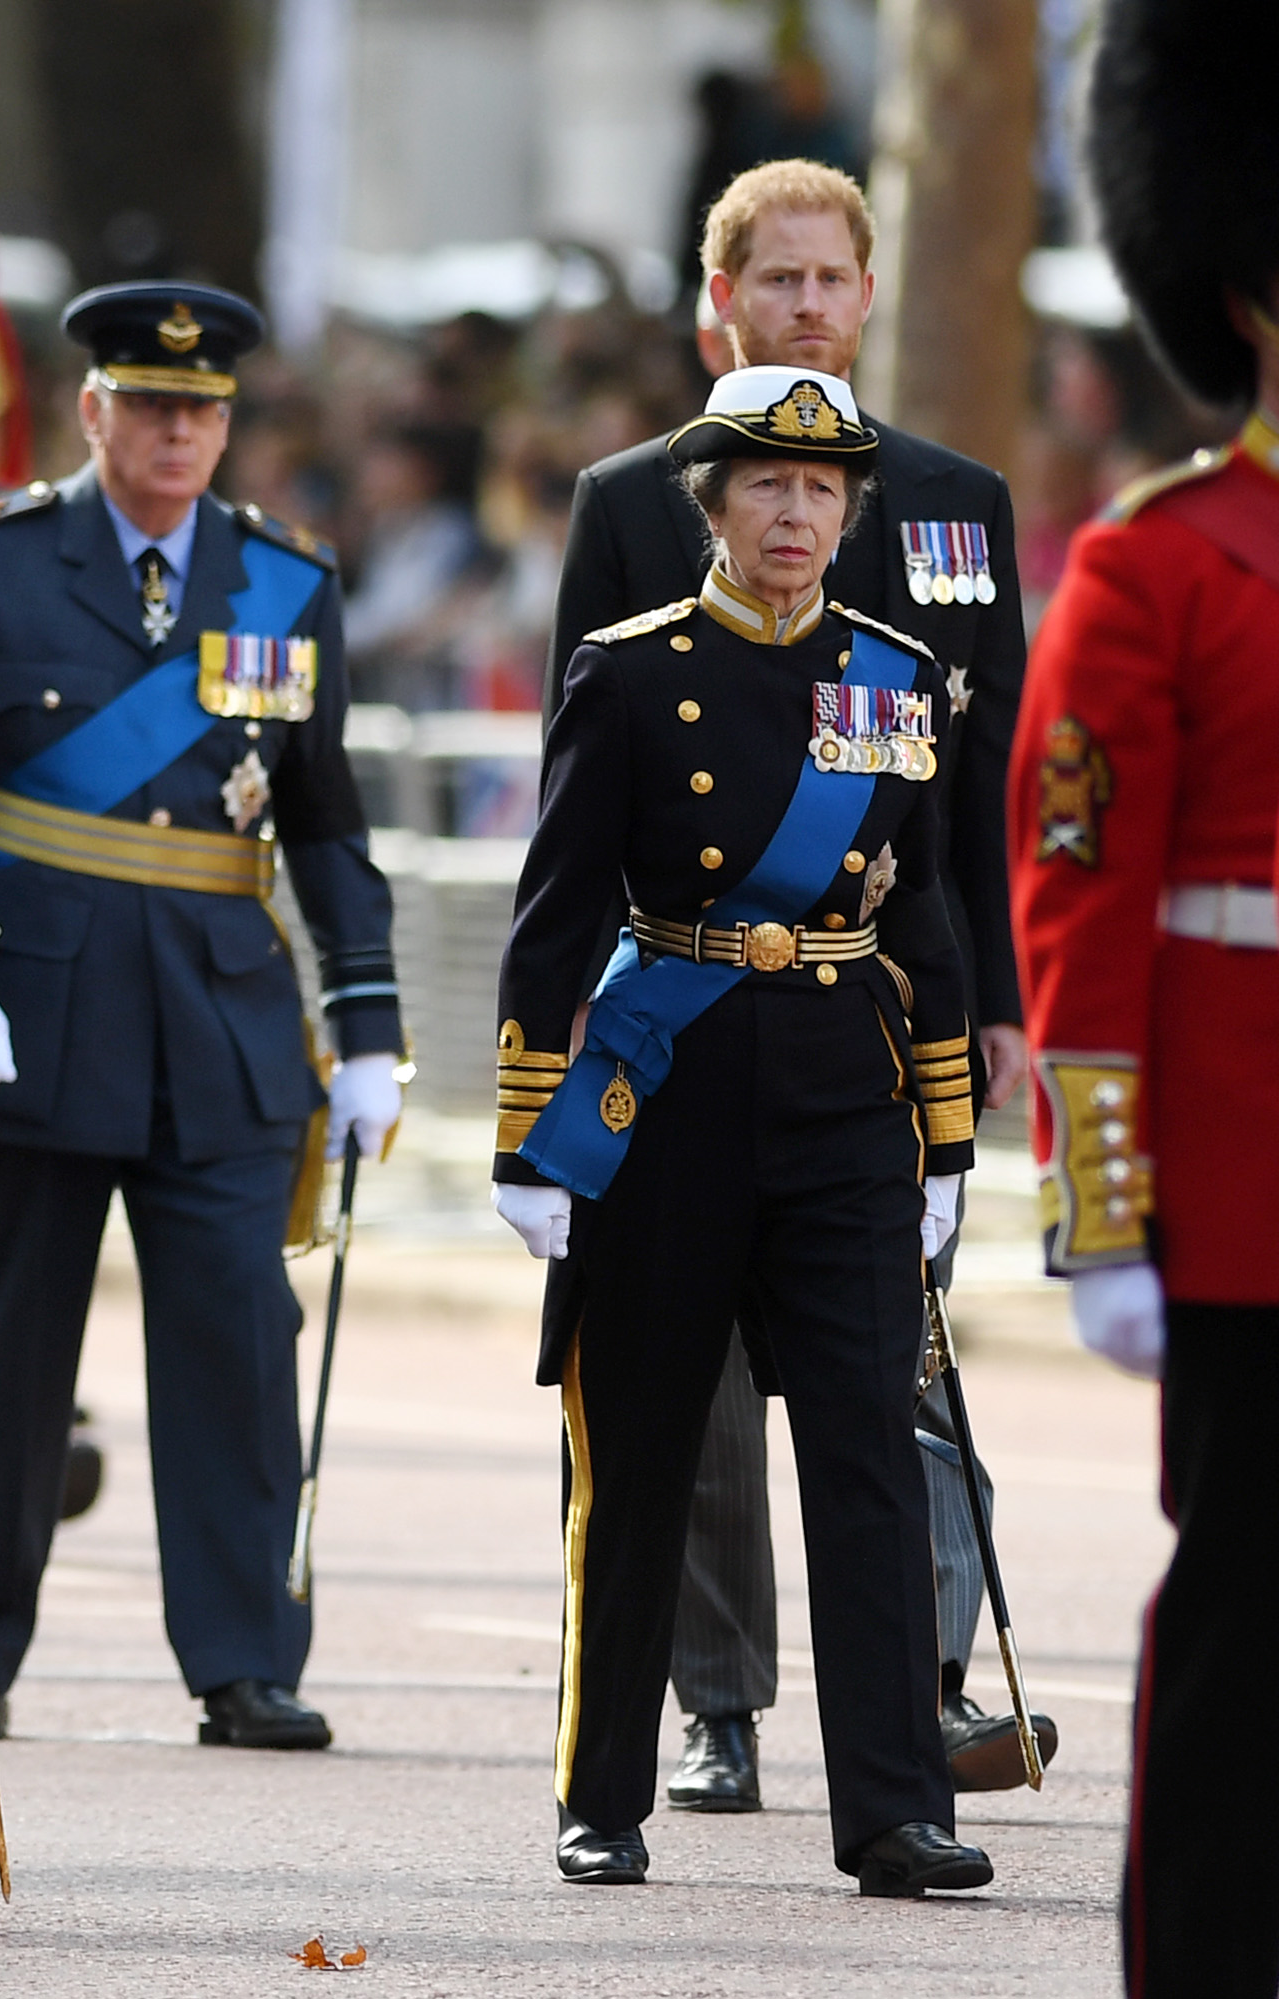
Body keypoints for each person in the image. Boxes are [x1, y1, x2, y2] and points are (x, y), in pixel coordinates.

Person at [546, 158, 1043, 1811]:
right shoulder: (629, 502)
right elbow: (582, 803)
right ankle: (716, 1700)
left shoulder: (960, 499)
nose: (810, 304)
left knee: (884, 1374)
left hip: (875, 1010)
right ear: (727, 301)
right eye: (781, 280)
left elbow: (967, 800)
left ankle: (921, 1694)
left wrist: (992, 1016)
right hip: (683, 1012)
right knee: (681, 1419)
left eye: (835, 278)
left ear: (871, 292)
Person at [498, 363, 987, 1895]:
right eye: (766, 486)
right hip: (673, 1093)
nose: (795, 513)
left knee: (867, 1453)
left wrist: (951, 1136)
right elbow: (558, 905)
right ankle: (604, 1789)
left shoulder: (896, 676)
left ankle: (895, 1807)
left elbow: (935, 899)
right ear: (712, 503)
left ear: (850, 510)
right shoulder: (632, 669)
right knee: (637, 1451)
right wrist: (528, 1132)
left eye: (823, 488)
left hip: (846, 1098)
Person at [0, 284, 402, 1750]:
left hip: (222, 1023)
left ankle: (245, 1656)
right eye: (151, 404)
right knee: (3, 1360)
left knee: (241, 1343)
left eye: (203, 410)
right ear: (94, 411)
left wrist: (368, 1016)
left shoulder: (284, 584)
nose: (179, 431)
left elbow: (323, 822)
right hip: (34, 1014)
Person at [1021, 2, 1279, 1982]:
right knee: (1255, 1612)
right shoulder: (1159, 565)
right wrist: (1106, 1207)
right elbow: (1082, 903)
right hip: (1247, 1176)